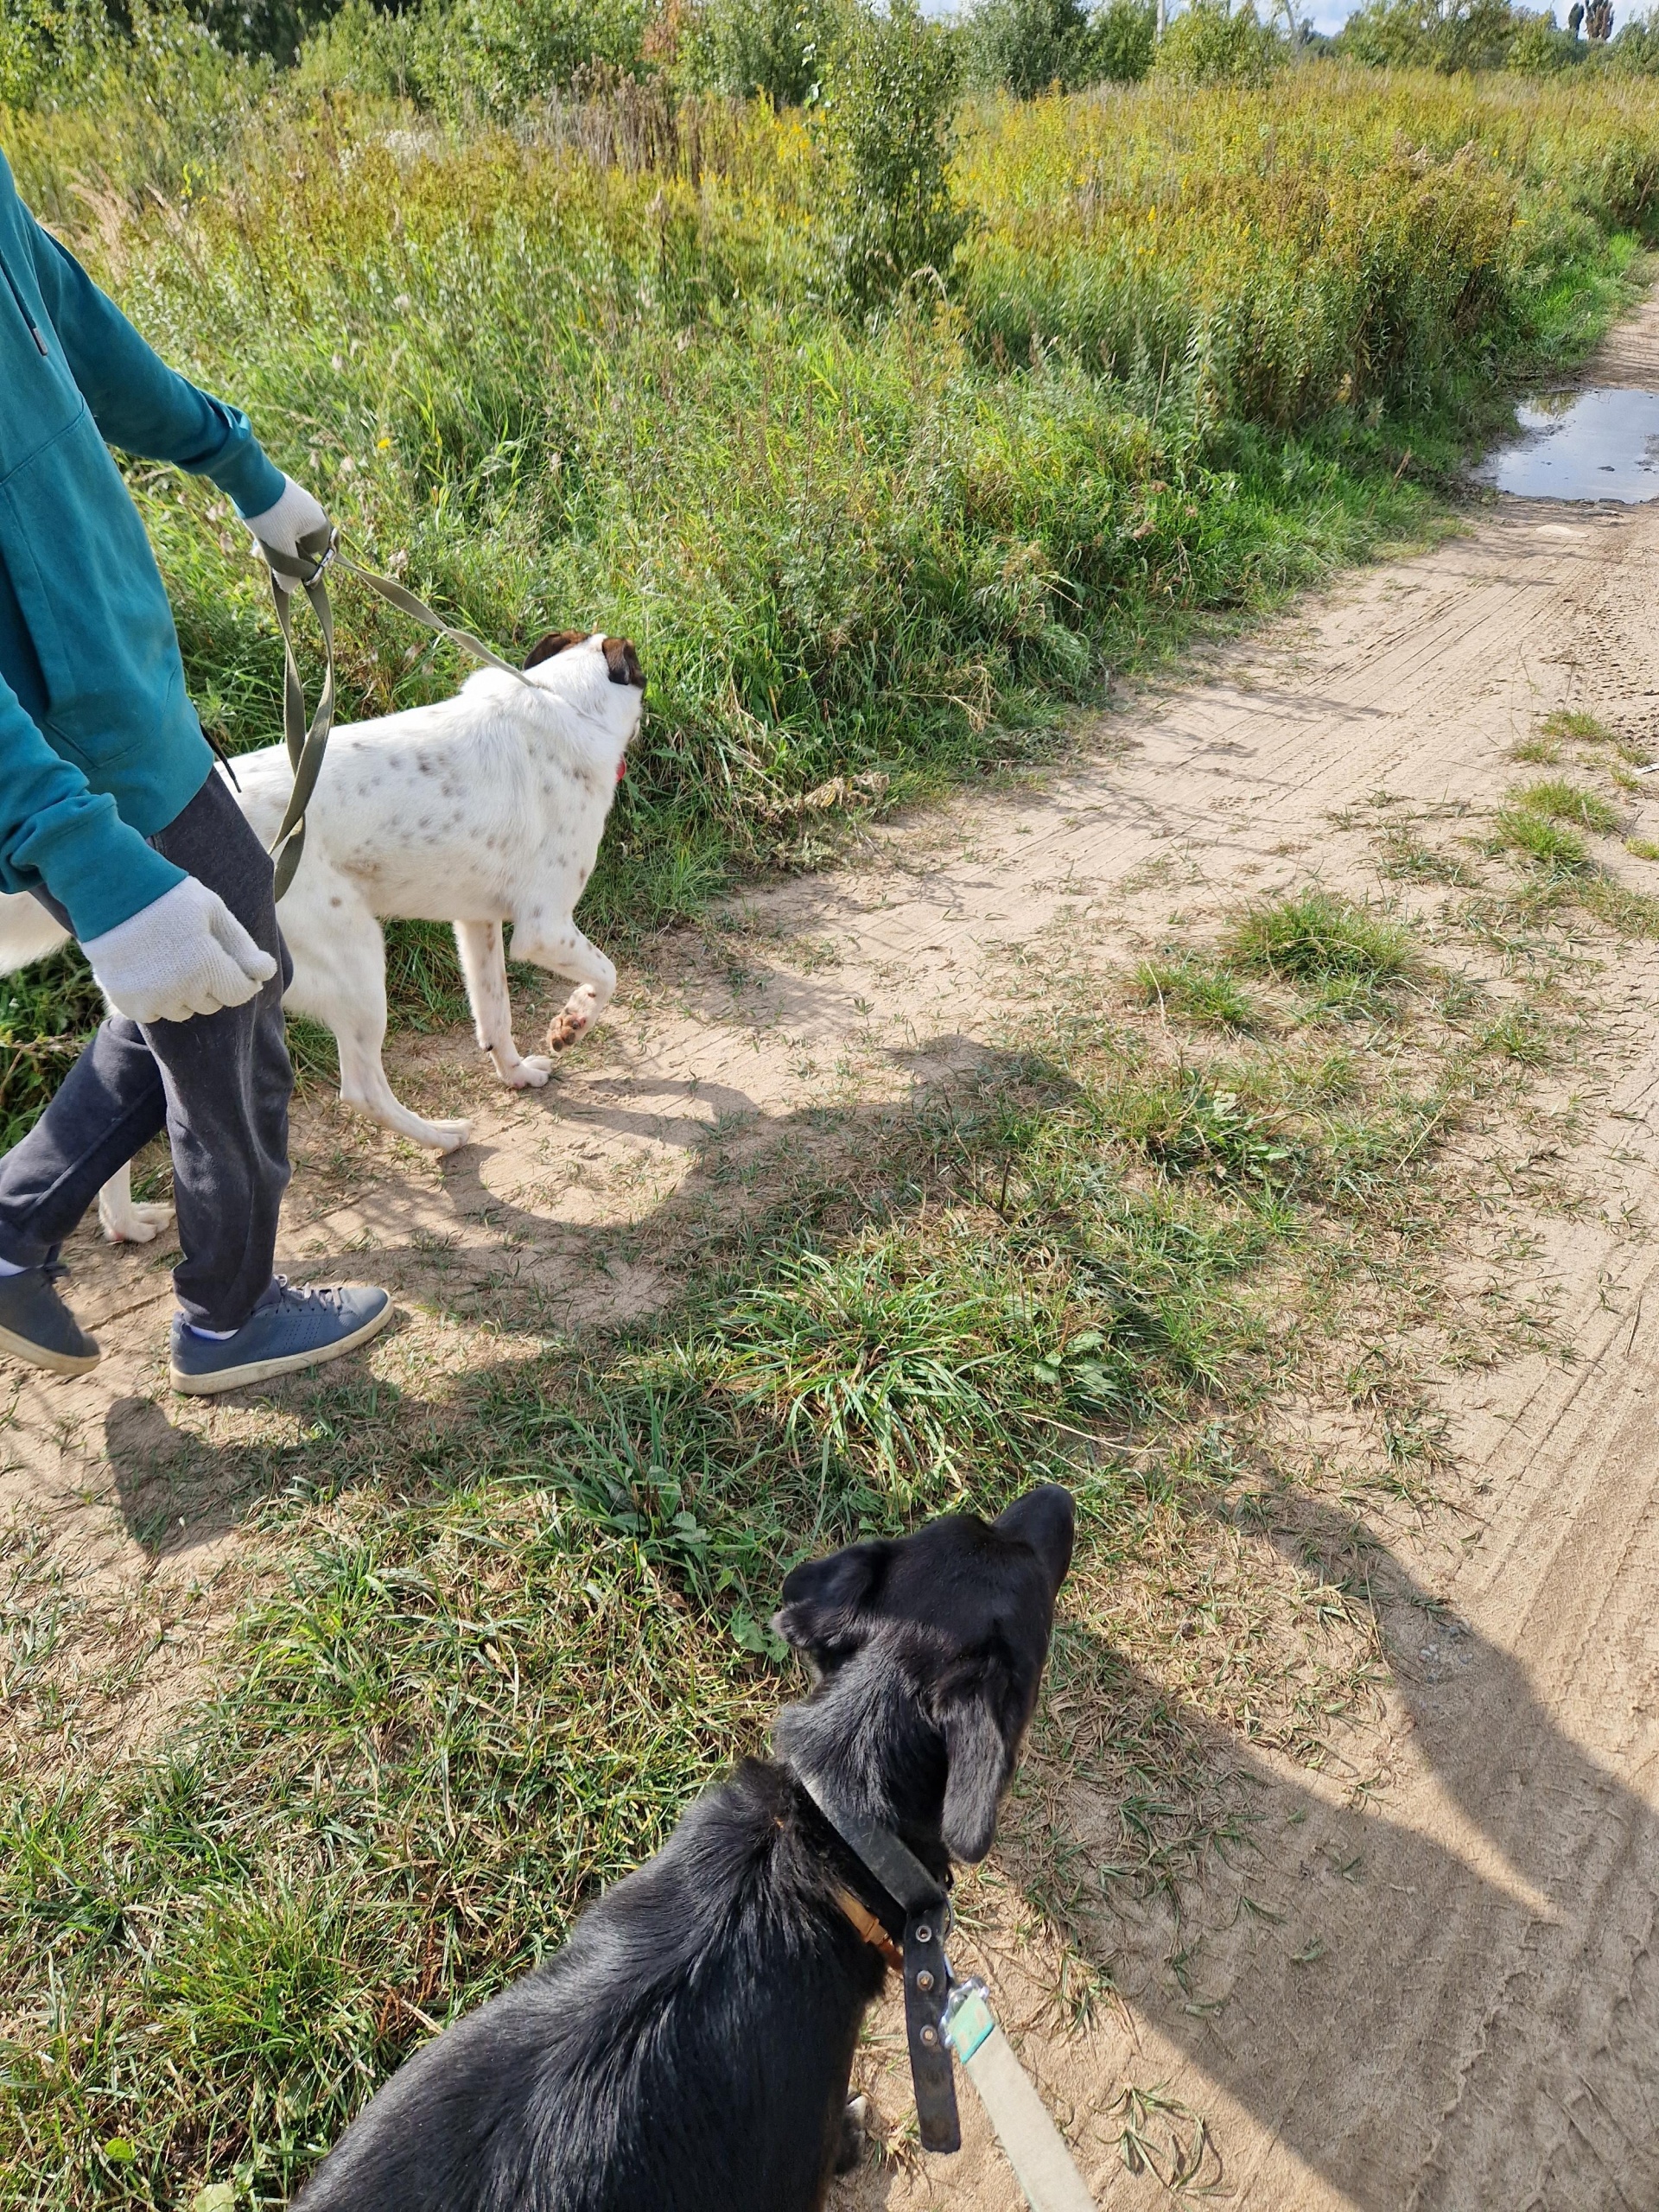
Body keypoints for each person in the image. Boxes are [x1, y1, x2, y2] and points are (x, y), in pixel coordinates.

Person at [0, 147, 391, 1395]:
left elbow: (67, 317)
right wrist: (79, 847)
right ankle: (230, 1315)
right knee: (231, 987)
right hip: (59, 733)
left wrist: (240, 462)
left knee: (193, 974)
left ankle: (10, 1225)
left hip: (110, 678)